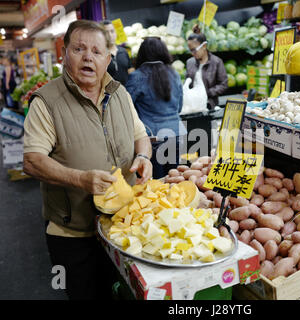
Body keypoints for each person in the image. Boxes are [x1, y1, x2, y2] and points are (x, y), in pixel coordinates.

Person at [22, 20, 153, 300]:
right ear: (65, 54)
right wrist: (80, 179)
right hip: (73, 233)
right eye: (79, 48)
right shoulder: (46, 101)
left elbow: (141, 135)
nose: (87, 57)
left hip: (123, 226)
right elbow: (32, 161)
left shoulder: (120, 93)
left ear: (107, 59)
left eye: (96, 51)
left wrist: (143, 156)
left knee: (125, 294)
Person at [126, 37, 186, 179]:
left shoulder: (137, 76)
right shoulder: (174, 73)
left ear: (142, 53)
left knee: (156, 183)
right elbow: (179, 107)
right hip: (175, 133)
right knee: (175, 180)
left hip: (152, 137)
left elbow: (126, 107)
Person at [186, 25, 228, 110]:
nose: (192, 53)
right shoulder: (189, 62)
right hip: (192, 105)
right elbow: (188, 83)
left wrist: (207, 93)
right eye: (190, 50)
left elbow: (223, 84)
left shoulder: (216, 62)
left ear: (204, 46)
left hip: (209, 104)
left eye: (194, 50)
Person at [101, 20, 134, 86]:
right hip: (108, 93)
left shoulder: (123, 51)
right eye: (106, 32)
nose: (110, 35)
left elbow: (130, 70)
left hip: (126, 91)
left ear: (116, 33)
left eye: (112, 31)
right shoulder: (100, 54)